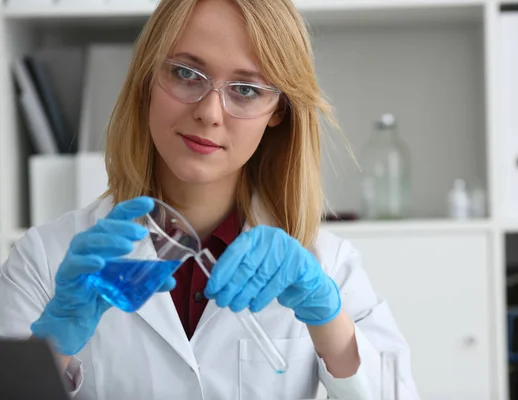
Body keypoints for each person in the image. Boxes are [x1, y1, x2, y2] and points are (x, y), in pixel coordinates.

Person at [0, 0, 419, 398]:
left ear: (279, 111)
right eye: (186, 73)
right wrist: (53, 346)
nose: (210, 113)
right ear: (148, 76)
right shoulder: (45, 260)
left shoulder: (329, 267)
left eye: (246, 89)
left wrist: (330, 323)